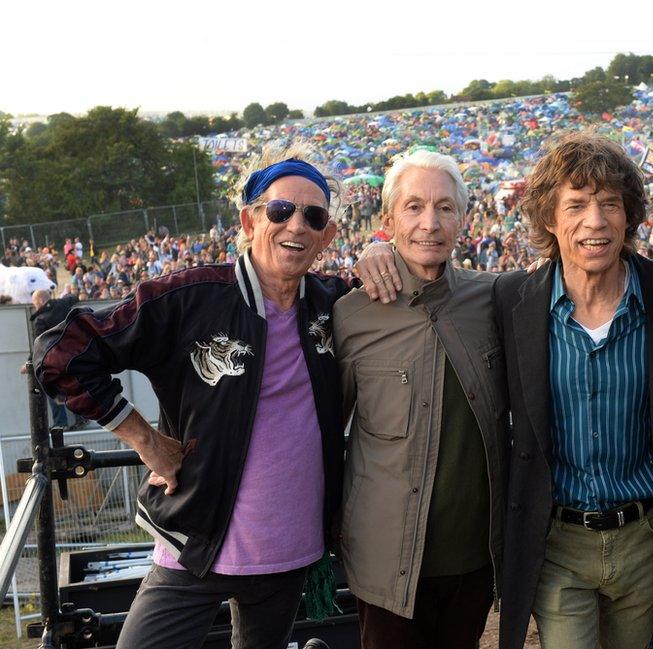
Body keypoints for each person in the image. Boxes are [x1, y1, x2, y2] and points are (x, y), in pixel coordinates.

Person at [34, 143, 347, 649]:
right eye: (280, 210)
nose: (296, 226)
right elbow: (62, 354)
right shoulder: (191, 296)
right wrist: (144, 439)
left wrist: (382, 255)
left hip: (292, 553)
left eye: (313, 216)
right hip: (196, 545)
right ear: (249, 221)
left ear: (327, 235)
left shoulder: (336, 301)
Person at [493, 132, 653, 649]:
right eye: (577, 205)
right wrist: (380, 256)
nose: (596, 221)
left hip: (643, 539)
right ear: (548, 217)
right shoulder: (512, 300)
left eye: (611, 204)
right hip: (559, 541)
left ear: (629, 215)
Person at [333, 150, 507, 648]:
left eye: (445, 208)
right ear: (387, 221)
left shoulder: (496, 299)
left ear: (464, 219)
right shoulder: (350, 314)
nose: (430, 223)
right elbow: (324, 431)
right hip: (384, 563)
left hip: (474, 563)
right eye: (413, 207)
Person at [22, 288, 78, 429]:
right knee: (74, 387)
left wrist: (29, 363)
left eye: (34, 302)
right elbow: (73, 298)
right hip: (73, 355)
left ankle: (61, 423)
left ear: (41, 300)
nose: (34, 306)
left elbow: (38, 345)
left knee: (52, 389)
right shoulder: (63, 303)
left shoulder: (40, 320)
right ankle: (81, 418)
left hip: (54, 360)